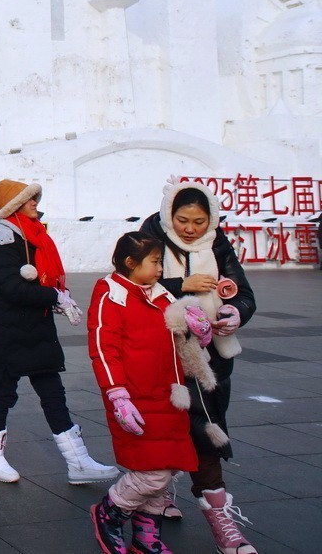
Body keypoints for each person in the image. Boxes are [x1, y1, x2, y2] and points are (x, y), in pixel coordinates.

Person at [139, 181, 258, 554]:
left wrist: (232, 313)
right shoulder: (148, 242)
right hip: (162, 356)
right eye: (183, 219)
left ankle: (220, 519)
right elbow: (132, 291)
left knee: (207, 430)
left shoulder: (218, 246)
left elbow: (244, 294)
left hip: (211, 360)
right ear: (168, 216)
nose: (191, 228)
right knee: (164, 429)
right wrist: (179, 284)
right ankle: (157, 496)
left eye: (199, 220)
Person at [0, 179, 118, 485]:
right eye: (29, 199)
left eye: (35, 198)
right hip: (9, 331)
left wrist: (54, 296)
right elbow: (12, 288)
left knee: (54, 395)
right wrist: (54, 296)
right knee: (3, 393)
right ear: (13, 205)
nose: (35, 203)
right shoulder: (2, 237)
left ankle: (78, 462)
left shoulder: (33, 235)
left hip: (36, 329)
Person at [88, 232, 201, 554]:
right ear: (130, 262)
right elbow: (102, 348)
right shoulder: (111, 295)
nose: (160, 269)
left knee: (165, 470)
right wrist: (117, 395)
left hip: (167, 396)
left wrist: (197, 328)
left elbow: (179, 341)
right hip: (134, 398)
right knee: (151, 473)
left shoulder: (160, 295)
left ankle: (146, 537)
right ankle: (109, 513)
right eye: (154, 262)